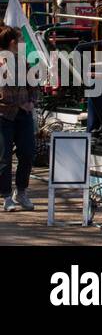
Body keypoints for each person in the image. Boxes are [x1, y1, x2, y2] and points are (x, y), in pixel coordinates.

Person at [0, 25, 37, 212]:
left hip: (24, 115)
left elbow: (33, 84)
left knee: (28, 153)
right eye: (21, 40)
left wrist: (31, 101)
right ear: (13, 42)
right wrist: (18, 103)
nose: (24, 43)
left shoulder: (23, 61)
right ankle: (6, 196)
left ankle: (21, 191)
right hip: (3, 115)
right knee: (4, 157)